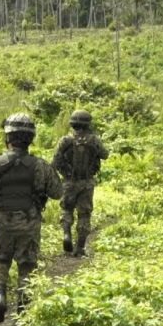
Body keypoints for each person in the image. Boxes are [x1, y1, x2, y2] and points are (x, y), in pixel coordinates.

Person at [0, 113, 62, 322]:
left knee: (0, 260)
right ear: (31, 139)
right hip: (30, 220)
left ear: (8, 137)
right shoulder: (40, 166)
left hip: (2, 221)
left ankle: (0, 295)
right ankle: (23, 305)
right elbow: (57, 192)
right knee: (27, 264)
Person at [52, 109, 109, 257]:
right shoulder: (94, 140)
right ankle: (80, 248)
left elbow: (55, 161)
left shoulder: (65, 140)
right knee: (84, 214)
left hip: (69, 182)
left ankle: (66, 234)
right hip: (87, 182)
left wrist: (65, 172)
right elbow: (105, 155)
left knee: (66, 209)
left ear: (72, 124)